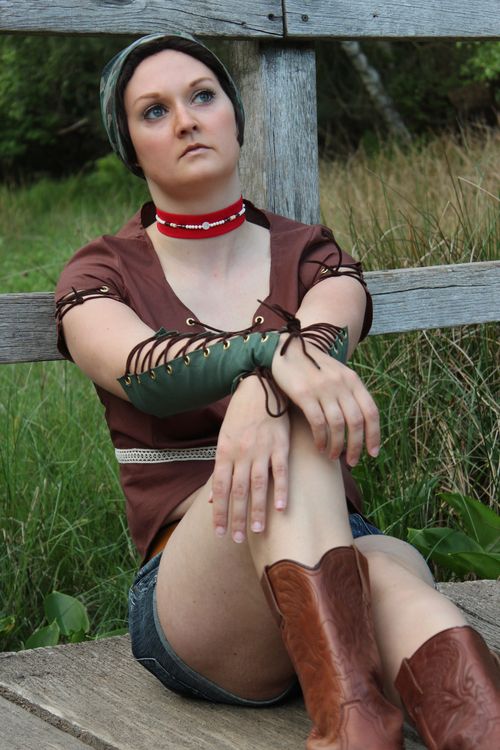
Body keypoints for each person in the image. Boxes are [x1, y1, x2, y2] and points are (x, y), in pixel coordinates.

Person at [55, 33, 500, 750]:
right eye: (154, 111)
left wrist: (269, 380)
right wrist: (269, 359)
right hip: (204, 590)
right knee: (289, 424)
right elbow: (142, 371)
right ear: (130, 146)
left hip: (342, 553)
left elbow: (328, 338)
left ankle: (387, 731)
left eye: (203, 96)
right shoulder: (100, 274)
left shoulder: (313, 254)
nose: (187, 120)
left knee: (387, 571)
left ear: (235, 115)